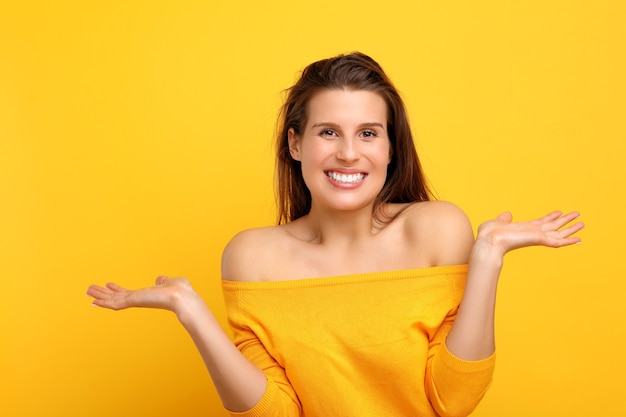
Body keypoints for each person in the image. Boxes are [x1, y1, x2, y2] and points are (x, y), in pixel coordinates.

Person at [86, 52, 584, 417]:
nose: (349, 153)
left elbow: (453, 400)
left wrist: (488, 256)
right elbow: (275, 411)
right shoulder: (252, 256)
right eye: (328, 132)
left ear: (391, 149)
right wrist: (191, 311)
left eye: (368, 133)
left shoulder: (436, 229)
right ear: (296, 144)